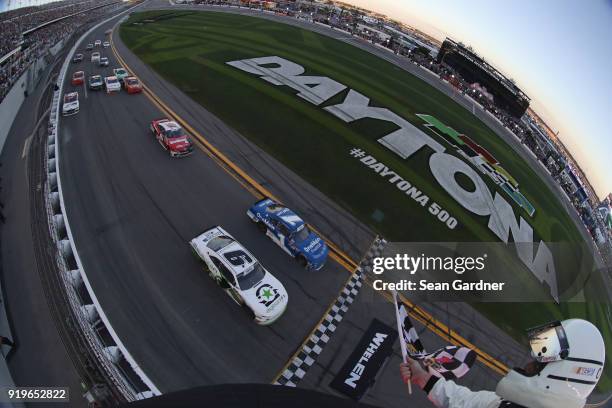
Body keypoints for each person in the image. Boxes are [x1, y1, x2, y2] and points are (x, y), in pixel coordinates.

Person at [400, 319, 605, 408]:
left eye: (540, 362)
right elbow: (465, 402)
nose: (528, 364)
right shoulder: (509, 404)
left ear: (560, 373)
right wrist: (426, 379)